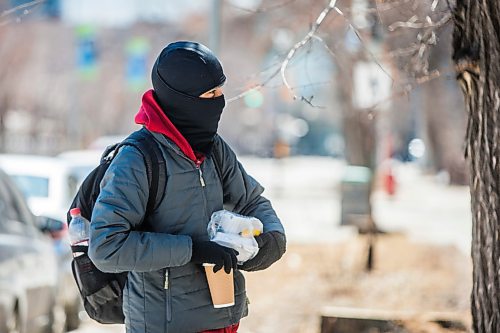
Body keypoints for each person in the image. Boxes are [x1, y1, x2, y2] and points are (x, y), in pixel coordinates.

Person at [88, 41, 286, 333]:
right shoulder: (139, 158)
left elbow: (252, 201)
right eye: (211, 94)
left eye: (221, 92)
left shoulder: (214, 149)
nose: (220, 102)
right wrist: (192, 250)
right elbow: (106, 247)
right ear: (182, 99)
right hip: (164, 325)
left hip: (224, 318)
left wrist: (272, 238)